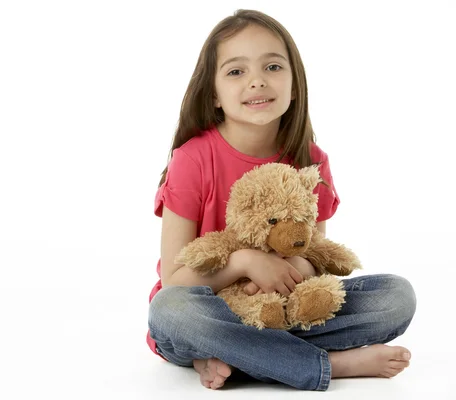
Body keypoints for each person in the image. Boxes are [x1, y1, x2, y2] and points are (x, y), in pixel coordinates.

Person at [146, 9, 416, 392]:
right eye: (236, 72)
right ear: (214, 95)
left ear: (294, 84)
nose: (257, 81)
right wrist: (246, 263)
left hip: (280, 308)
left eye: (272, 67)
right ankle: (325, 365)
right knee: (170, 311)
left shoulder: (311, 161)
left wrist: (288, 271)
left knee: (396, 297)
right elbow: (174, 282)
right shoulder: (192, 158)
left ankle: (238, 358)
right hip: (206, 314)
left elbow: (315, 258)